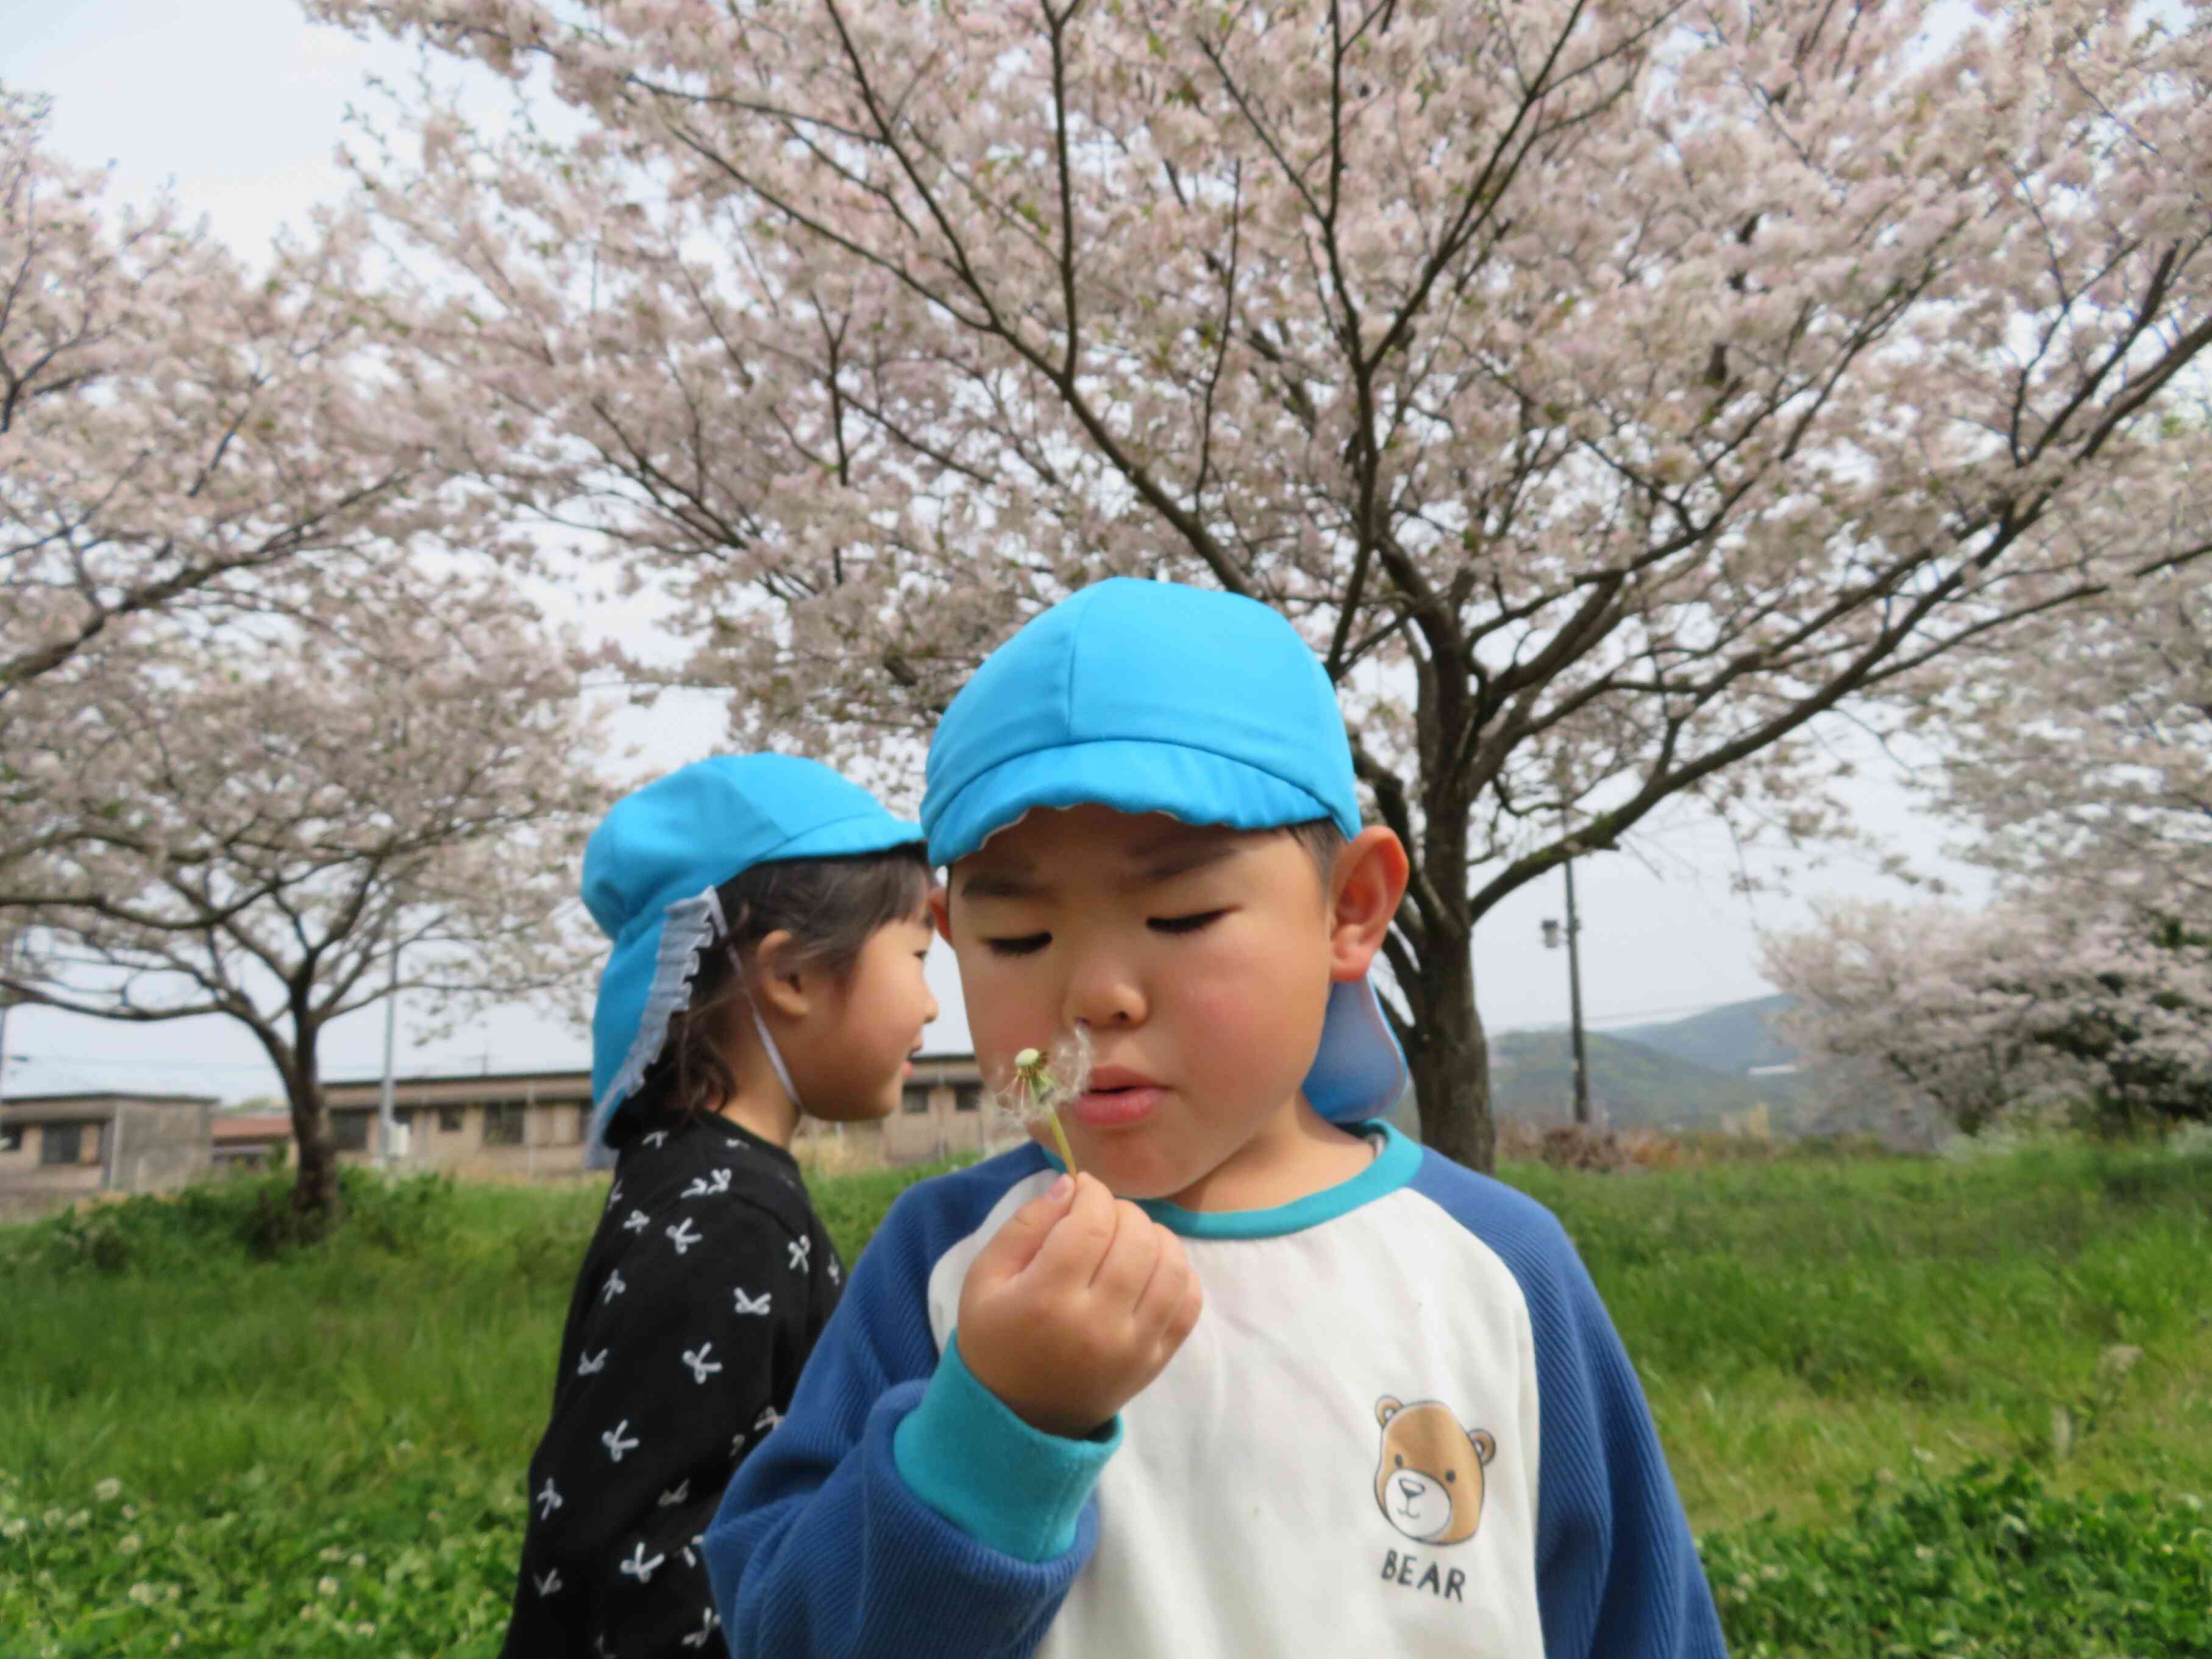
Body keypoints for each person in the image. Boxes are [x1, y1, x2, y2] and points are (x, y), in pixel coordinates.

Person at [703, 579, 1727, 1657]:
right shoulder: (945, 1266)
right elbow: (785, 1630)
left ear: (1350, 908)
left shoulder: (1499, 1269)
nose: (1095, 993)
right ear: (951, 935)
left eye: (1181, 915)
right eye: (1015, 939)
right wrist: (994, 1432)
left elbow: (1635, 1621)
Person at [500, 754, 939, 1659]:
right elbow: (652, 1565)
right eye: (919, 957)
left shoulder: (695, 1176)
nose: (933, 1006)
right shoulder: (734, 1219)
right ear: (792, 978)